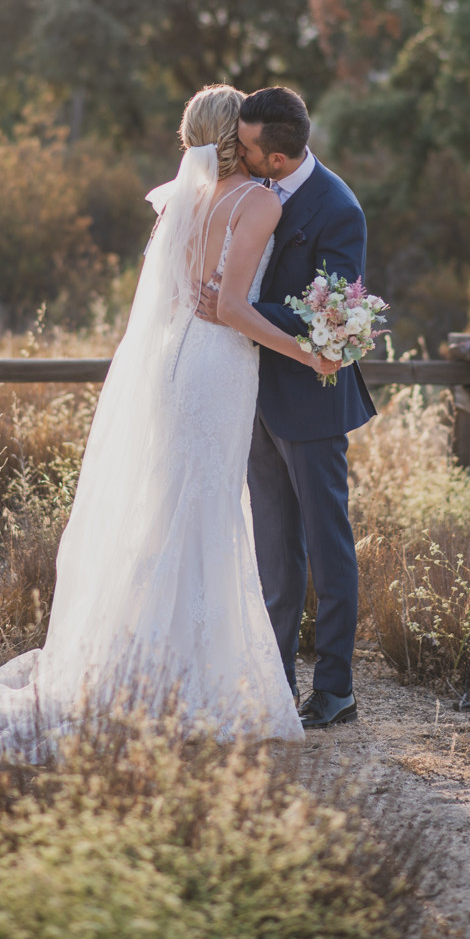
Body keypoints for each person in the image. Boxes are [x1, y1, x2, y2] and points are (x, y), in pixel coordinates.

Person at [0, 85, 337, 759]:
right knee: (206, 512)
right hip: (217, 366)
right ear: (234, 137)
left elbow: (194, 296)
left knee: (174, 510)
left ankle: (150, 667)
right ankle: (187, 681)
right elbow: (233, 309)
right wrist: (311, 354)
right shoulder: (259, 200)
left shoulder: (190, 201)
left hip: (175, 364)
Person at [198, 87, 375, 729]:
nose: (233, 152)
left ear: (275, 158)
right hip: (250, 393)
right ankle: (276, 679)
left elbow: (330, 313)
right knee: (275, 548)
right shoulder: (247, 191)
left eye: (244, 146)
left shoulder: (337, 208)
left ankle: (335, 688)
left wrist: (234, 307)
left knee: (328, 547)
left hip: (310, 397)